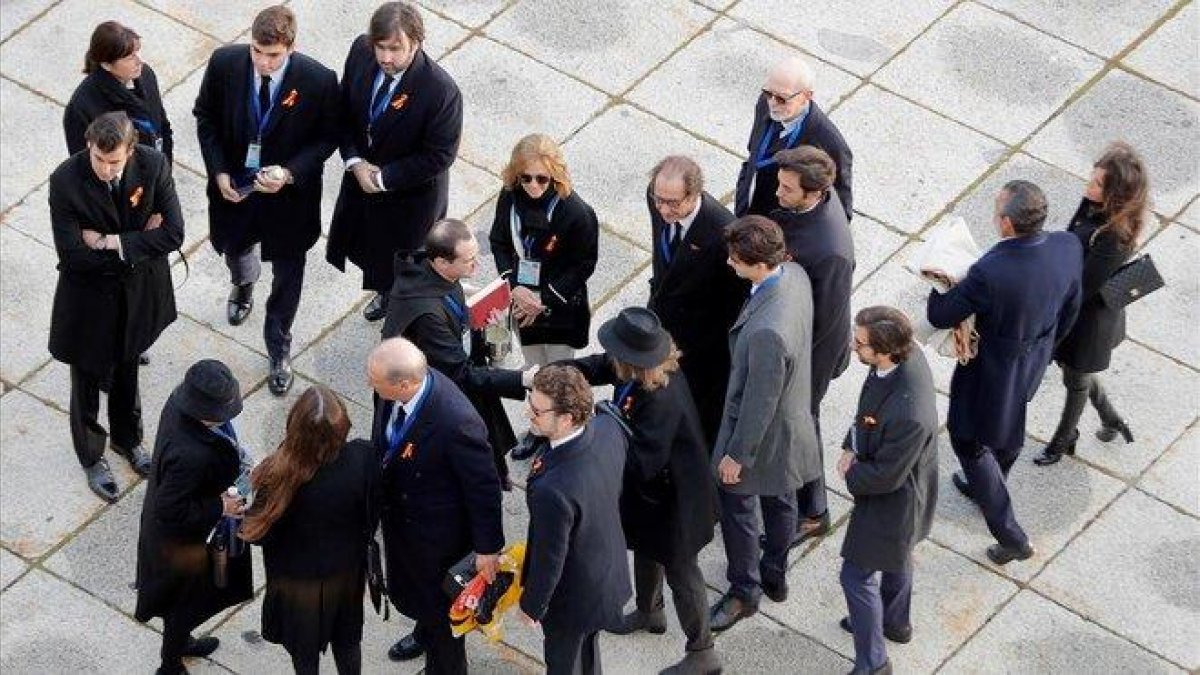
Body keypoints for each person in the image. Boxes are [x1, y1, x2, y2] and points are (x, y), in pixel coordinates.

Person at [927, 180, 1082, 565]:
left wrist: (936, 277)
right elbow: (1071, 307)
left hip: (993, 369)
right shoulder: (1067, 246)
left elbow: (939, 315)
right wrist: (1045, 350)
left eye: (997, 212)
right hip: (1034, 356)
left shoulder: (991, 271)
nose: (994, 218)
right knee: (1008, 427)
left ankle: (1010, 534)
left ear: (1008, 224)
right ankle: (990, 483)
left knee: (968, 439)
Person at [193, 5, 340, 396]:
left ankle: (279, 345)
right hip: (235, 188)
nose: (262, 61)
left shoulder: (318, 80)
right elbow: (205, 117)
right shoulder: (225, 64)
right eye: (257, 51)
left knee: (289, 276)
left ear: (291, 47)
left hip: (288, 199)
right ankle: (243, 284)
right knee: (236, 249)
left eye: (272, 55)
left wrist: (290, 173)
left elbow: (328, 138)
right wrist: (218, 170)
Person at [565, 308, 721, 675]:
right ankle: (650, 610)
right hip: (652, 498)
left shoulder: (660, 400)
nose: (611, 357)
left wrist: (600, 424)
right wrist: (560, 372)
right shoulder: (639, 373)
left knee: (682, 572)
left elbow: (641, 462)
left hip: (677, 503)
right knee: (645, 547)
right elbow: (601, 366)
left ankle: (703, 651)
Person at [47, 111, 183, 503]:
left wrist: (112, 242)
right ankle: (91, 455)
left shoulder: (153, 165)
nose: (106, 170)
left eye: (114, 162)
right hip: (89, 300)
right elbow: (73, 256)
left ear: (130, 152)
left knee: (128, 367)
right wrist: (141, 239)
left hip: (138, 293)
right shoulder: (66, 181)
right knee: (86, 379)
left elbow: (174, 232)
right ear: (89, 146)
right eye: (99, 160)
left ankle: (128, 439)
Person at [367, 338, 503, 673]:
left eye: (376, 381)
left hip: (439, 541)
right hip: (406, 528)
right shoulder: (392, 394)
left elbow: (483, 487)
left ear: (403, 384)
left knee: (445, 626)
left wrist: (488, 548)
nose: (370, 385)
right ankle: (424, 630)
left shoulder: (455, 421)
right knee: (422, 603)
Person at [708, 216, 818, 632]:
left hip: (761, 435)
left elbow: (759, 401)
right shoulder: (795, 274)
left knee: (739, 510)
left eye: (735, 259)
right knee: (782, 497)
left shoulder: (768, 331)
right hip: (791, 424)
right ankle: (775, 571)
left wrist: (737, 455)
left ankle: (745, 590)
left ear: (756, 264)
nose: (730, 264)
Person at [327, 1, 463, 322]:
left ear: (416, 43)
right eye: (381, 47)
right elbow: (343, 112)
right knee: (369, 249)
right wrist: (355, 162)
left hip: (409, 198)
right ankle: (386, 291)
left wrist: (383, 179)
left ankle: (400, 303)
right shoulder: (361, 54)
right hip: (361, 181)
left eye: (396, 49)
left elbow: (439, 155)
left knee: (405, 263)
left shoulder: (440, 92)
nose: (386, 58)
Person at [381, 218, 538, 490]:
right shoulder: (428, 317)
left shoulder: (434, 273)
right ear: (441, 262)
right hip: (442, 393)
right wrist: (521, 380)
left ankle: (497, 474)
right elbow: (461, 374)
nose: (477, 265)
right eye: (469, 260)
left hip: (457, 367)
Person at [240, 385, 380, 674]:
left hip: (297, 587)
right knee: (348, 644)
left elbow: (260, 535)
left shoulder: (277, 476)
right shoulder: (363, 458)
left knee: (304, 660)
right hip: (345, 578)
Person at [836, 307, 938, 675]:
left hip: (895, 500)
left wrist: (851, 472)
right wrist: (852, 441)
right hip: (900, 488)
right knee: (898, 558)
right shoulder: (894, 363)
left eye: (860, 344)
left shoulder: (909, 412)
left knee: (855, 576)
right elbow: (868, 410)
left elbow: (885, 476)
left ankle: (874, 662)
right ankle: (893, 621)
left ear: (886, 351)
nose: (853, 347)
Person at [135, 360, 252, 675]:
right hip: (180, 544)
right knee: (182, 605)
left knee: (186, 603)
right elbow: (170, 509)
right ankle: (170, 665)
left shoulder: (177, 404)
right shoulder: (190, 455)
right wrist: (220, 507)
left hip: (184, 535)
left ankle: (181, 642)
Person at [1035, 142, 1148, 466]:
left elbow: (1083, 288)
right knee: (1075, 373)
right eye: (1093, 178)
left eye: (1097, 183)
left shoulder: (1115, 236)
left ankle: (1063, 439)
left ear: (1115, 193)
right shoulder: (1094, 208)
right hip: (1079, 313)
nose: (1089, 186)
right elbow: (1072, 240)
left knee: (1075, 380)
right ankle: (1112, 419)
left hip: (1089, 324)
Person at [518, 365, 632, 675]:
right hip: (607, 575)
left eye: (538, 411)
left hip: (572, 598)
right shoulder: (608, 429)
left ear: (567, 418)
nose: (529, 414)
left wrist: (532, 605)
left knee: (564, 664)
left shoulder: (553, 490)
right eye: (531, 402)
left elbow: (550, 557)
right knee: (588, 652)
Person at [770, 146, 855, 548]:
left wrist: (795, 368)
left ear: (814, 193)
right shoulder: (811, 201)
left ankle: (814, 510)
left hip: (812, 351)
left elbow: (827, 318)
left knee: (801, 424)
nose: (778, 193)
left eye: (787, 189)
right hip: (799, 335)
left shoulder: (831, 250)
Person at [645, 155, 744, 446]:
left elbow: (732, 304)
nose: (663, 209)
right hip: (663, 319)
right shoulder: (658, 202)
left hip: (700, 344)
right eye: (658, 199)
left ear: (695, 194)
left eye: (673, 203)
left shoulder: (723, 232)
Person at [488, 133, 599, 366]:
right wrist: (514, 286)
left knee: (558, 372)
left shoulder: (576, 213)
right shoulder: (509, 197)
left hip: (559, 305)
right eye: (525, 178)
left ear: (555, 175)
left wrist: (541, 299)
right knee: (533, 366)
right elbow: (499, 241)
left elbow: (583, 266)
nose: (533, 185)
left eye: (542, 178)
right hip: (522, 297)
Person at [734, 56, 853, 221]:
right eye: (768, 93)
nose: (772, 103)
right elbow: (753, 153)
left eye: (782, 98)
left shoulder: (828, 143)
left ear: (806, 96)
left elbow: (840, 212)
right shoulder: (765, 103)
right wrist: (742, 196)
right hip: (747, 210)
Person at [64, 21, 173, 161]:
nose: (139, 61)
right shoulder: (81, 108)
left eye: (137, 53)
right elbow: (84, 164)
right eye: (130, 57)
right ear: (107, 65)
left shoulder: (145, 75)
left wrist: (165, 168)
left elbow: (162, 125)